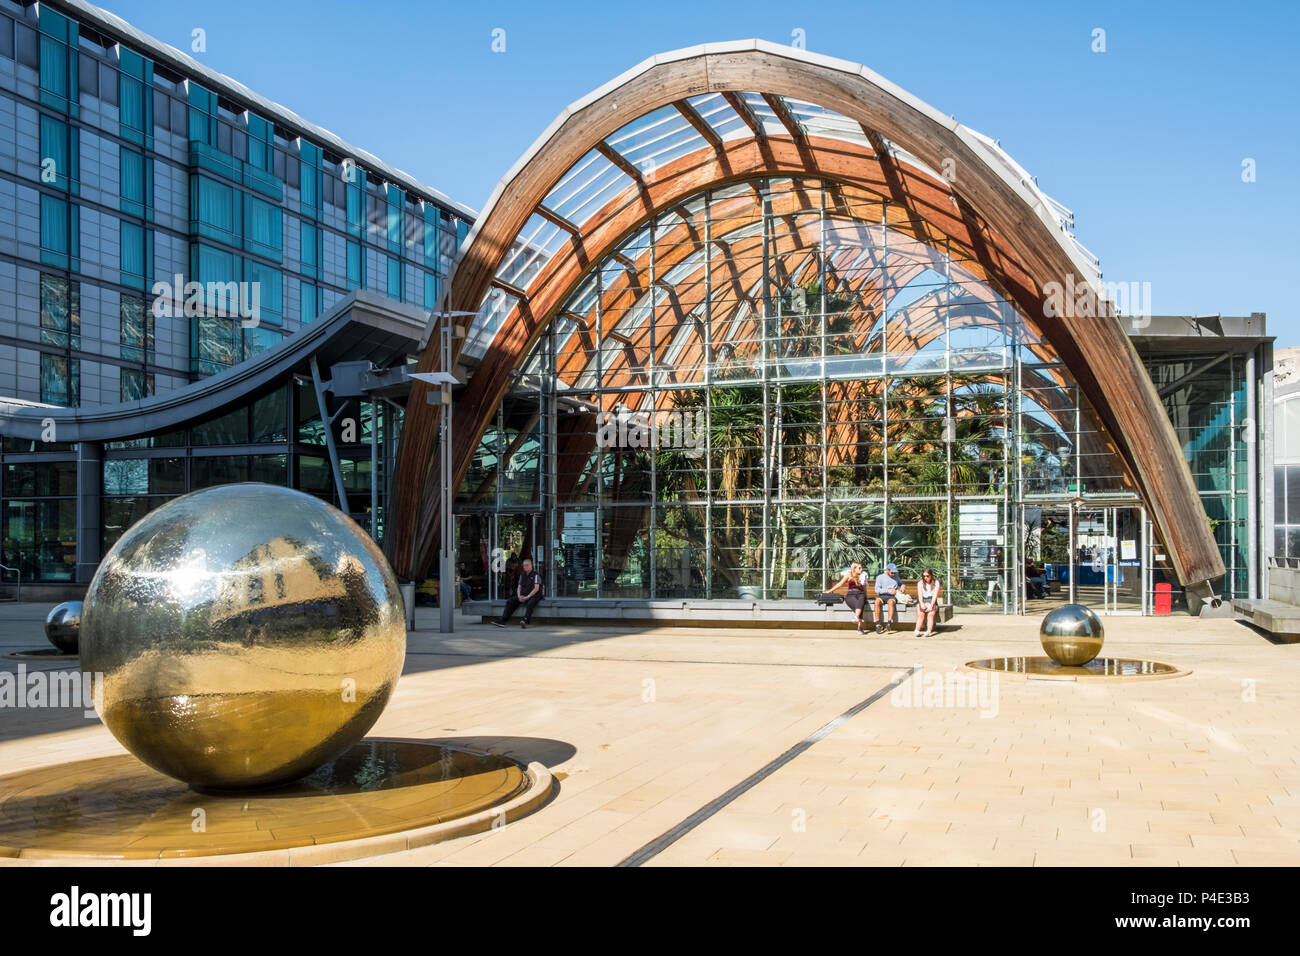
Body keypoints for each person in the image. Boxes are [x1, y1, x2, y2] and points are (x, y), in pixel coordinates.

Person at [493, 556, 543, 628]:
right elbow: (519, 587)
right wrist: (519, 596)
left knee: (530, 603)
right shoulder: (522, 575)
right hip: (523, 595)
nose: (525, 567)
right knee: (510, 601)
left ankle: (525, 620)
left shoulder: (536, 575)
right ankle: (502, 621)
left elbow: (536, 589)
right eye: (524, 565)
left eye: (527, 565)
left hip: (534, 595)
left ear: (531, 566)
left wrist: (527, 597)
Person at [828, 561, 869, 633]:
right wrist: (830, 590)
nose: (861, 569)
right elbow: (840, 584)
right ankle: (860, 626)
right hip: (851, 594)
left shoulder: (863, 575)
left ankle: (857, 618)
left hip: (860, 594)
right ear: (854, 568)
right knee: (859, 605)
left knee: (862, 599)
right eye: (859, 568)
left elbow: (864, 587)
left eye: (861, 567)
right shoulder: (849, 575)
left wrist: (866, 597)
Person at [872, 563, 904, 634]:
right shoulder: (880, 577)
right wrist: (888, 590)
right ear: (887, 570)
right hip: (882, 595)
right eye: (892, 572)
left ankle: (889, 623)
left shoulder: (896, 577)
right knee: (877, 602)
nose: (893, 574)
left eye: (895, 572)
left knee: (891, 602)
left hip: (892, 597)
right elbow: (877, 590)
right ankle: (877, 624)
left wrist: (902, 586)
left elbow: (901, 583)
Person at [914, 568, 943, 637]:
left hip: (932, 601)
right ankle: (917, 630)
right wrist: (922, 604)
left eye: (927, 576)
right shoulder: (920, 583)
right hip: (923, 600)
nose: (925, 578)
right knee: (921, 614)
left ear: (931, 575)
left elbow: (935, 596)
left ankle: (928, 631)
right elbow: (920, 595)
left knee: (931, 614)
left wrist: (931, 605)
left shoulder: (936, 583)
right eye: (924, 576)